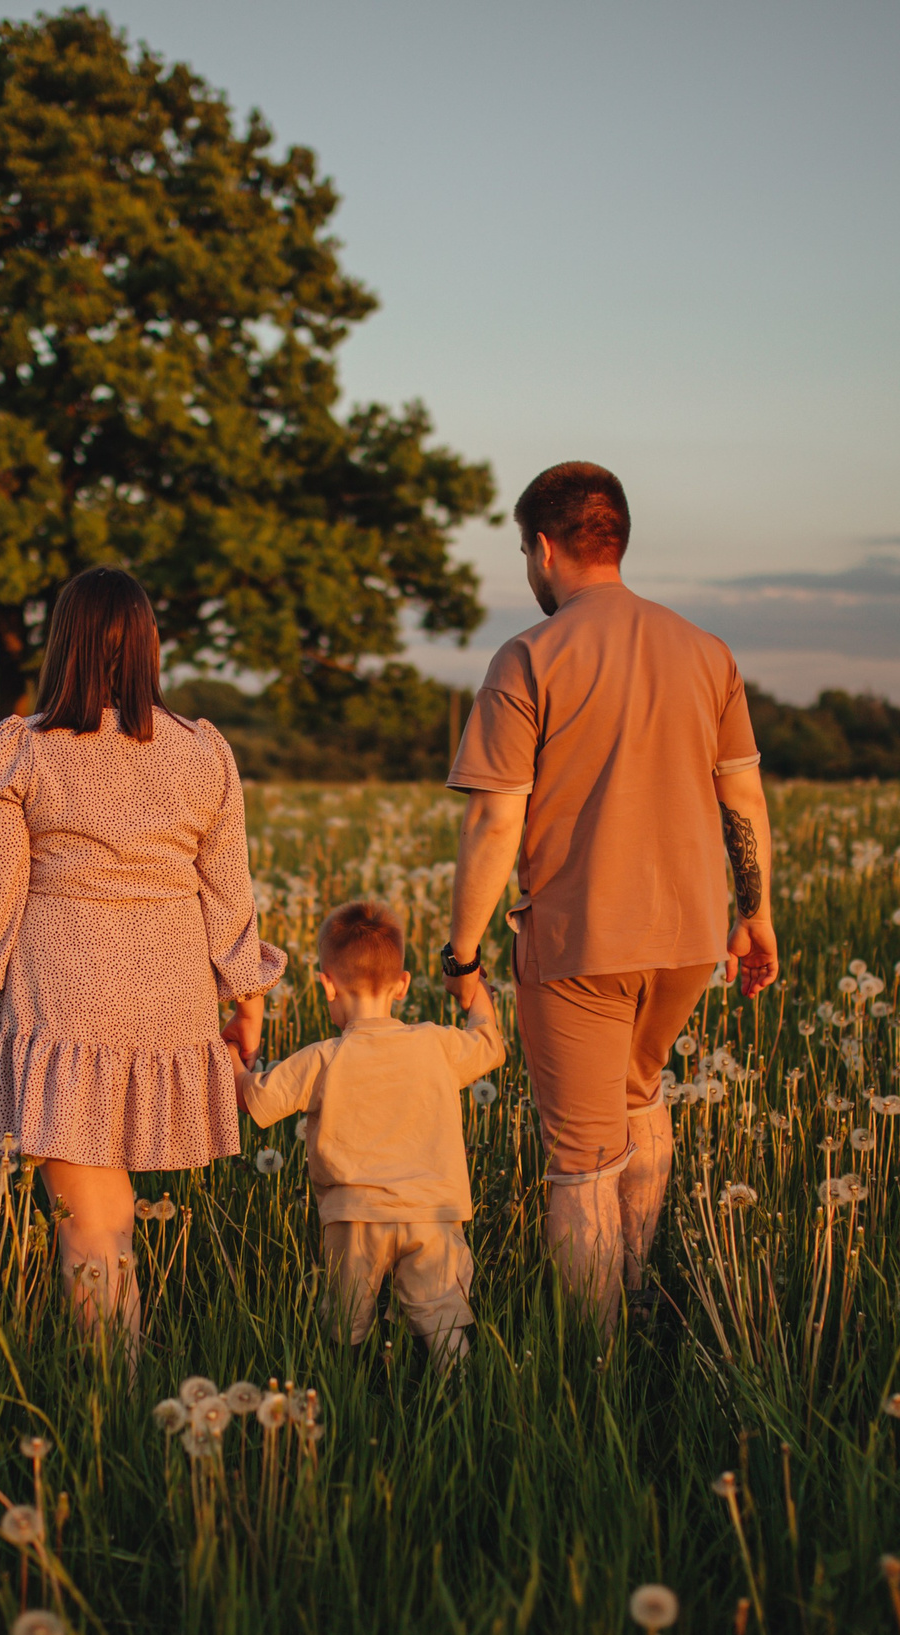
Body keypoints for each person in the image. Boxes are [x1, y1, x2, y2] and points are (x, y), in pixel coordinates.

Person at [442, 462, 778, 1331]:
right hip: (690, 938)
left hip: (578, 940)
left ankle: (598, 1363)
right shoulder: (707, 651)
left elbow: (494, 822)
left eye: (524, 551)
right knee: (639, 1091)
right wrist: (755, 915)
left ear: (544, 548)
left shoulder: (528, 656)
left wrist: (462, 952)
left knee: (582, 1160)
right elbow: (743, 800)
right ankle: (637, 1288)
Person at [0, 567, 285, 1349]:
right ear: (150, 646)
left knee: (86, 1223)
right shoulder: (202, 750)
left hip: (60, 998)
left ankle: (109, 1389)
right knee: (109, 1209)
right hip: (166, 999)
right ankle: (126, 1370)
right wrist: (248, 1001)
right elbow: (229, 887)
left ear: (63, 643)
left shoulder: (22, 746)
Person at [236, 900, 505, 1365]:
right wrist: (475, 991)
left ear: (327, 985)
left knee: (345, 1323)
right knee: (442, 1317)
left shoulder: (323, 1058)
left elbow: (254, 1099)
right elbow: (489, 1043)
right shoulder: (436, 1045)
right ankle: (459, 1390)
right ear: (402, 985)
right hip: (433, 1211)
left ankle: (345, 1392)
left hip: (354, 1216)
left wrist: (231, 1056)